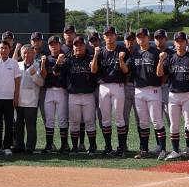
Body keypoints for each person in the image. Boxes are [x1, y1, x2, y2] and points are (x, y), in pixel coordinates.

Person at [156, 31, 189, 162]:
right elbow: (160, 74)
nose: (179, 43)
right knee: (174, 126)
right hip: (173, 95)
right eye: (177, 41)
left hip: (188, 94)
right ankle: (175, 151)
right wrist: (161, 60)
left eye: (182, 41)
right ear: (174, 43)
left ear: (186, 42)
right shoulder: (170, 57)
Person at [127, 29, 167, 160]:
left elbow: (163, 74)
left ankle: (163, 149)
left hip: (153, 90)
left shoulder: (156, 53)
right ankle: (144, 150)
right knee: (143, 123)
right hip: (138, 90)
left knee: (157, 122)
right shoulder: (135, 54)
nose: (141, 39)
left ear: (148, 38)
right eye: (139, 37)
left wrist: (158, 85)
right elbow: (128, 71)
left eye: (143, 37)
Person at [53, 36, 97, 155]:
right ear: (73, 47)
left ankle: (92, 147)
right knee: (75, 122)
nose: (78, 47)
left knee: (89, 121)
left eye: (81, 45)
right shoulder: (68, 60)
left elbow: (95, 72)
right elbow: (56, 72)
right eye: (76, 45)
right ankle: (74, 147)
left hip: (88, 94)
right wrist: (58, 61)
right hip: (73, 95)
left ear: (85, 46)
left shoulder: (90, 58)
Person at [91, 26, 130, 157]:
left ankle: (122, 147)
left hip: (117, 85)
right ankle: (108, 147)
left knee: (119, 117)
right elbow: (94, 70)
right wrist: (96, 55)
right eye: (106, 35)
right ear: (103, 37)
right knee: (105, 119)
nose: (109, 37)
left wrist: (120, 60)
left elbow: (126, 71)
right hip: (103, 86)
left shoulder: (122, 51)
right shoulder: (100, 51)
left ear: (116, 36)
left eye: (111, 34)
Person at [42, 36, 69, 154]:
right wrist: (42, 63)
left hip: (62, 91)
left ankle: (64, 145)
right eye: (51, 44)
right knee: (49, 120)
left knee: (63, 119)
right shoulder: (46, 59)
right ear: (48, 46)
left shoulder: (65, 58)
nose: (53, 46)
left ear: (60, 45)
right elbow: (43, 75)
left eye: (56, 44)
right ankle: (49, 145)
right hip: (49, 91)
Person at [16, 44, 45, 154]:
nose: (26, 55)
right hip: (18, 101)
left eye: (28, 52)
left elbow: (42, 83)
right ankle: (19, 145)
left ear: (33, 53)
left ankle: (30, 147)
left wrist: (34, 76)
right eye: (24, 53)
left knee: (30, 126)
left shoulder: (38, 65)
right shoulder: (18, 65)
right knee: (18, 125)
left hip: (31, 101)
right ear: (21, 54)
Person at [123, 31, 138, 152]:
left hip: (139, 88)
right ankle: (123, 144)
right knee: (124, 118)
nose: (130, 42)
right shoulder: (122, 54)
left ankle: (144, 146)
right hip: (125, 87)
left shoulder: (140, 54)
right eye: (128, 39)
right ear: (124, 41)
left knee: (141, 119)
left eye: (132, 39)